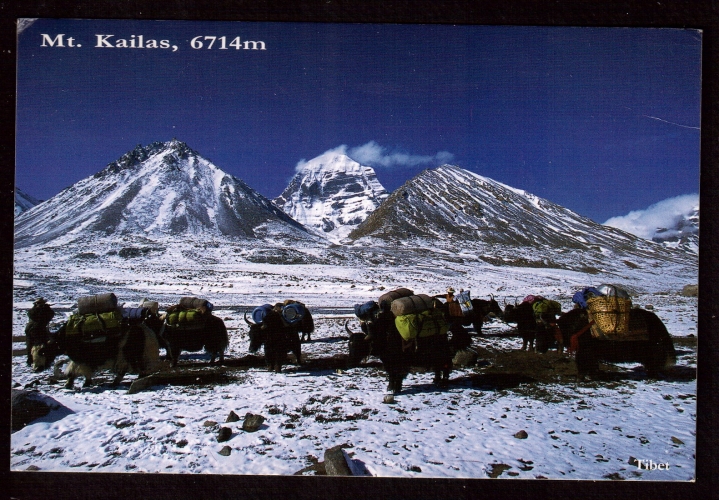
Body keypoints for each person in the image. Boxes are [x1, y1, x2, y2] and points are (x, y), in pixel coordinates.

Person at [25, 297, 55, 366]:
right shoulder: (32, 311)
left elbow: (49, 316)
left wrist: (46, 309)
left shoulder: (46, 311)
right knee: (31, 346)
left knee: (46, 346)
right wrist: (39, 310)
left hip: (41, 330)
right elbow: (36, 318)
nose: (40, 305)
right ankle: (32, 361)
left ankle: (45, 362)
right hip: (32, 330)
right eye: (39, 303)